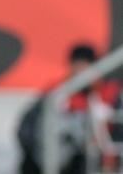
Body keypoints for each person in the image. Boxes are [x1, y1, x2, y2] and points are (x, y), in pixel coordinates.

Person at [17, 44, 123, 174]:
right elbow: (26, 128)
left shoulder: (111, 93)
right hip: (60, 156)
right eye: (76, 65)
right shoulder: (56, 92)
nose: (80, 71)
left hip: (99, 156)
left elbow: (118, 130)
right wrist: (39, 149)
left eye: (84, 66)